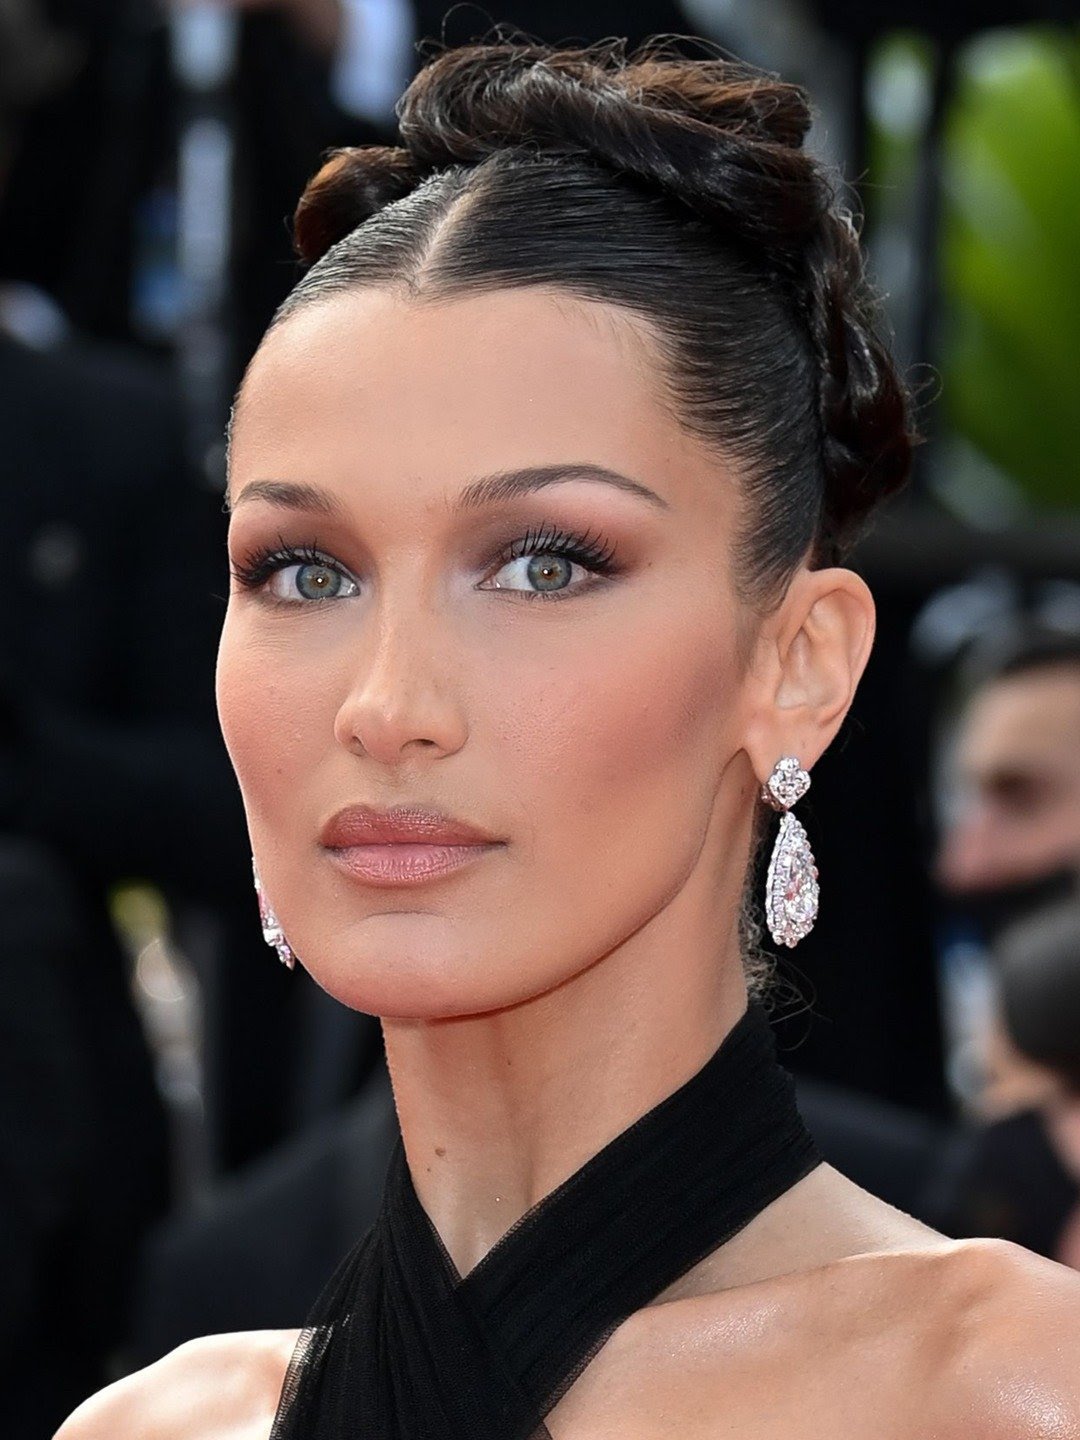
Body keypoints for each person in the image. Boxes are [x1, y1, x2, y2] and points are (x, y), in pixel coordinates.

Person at [57, 34, 1080, 1440]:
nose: (388, 704)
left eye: (545, 565)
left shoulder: (1011, 1394)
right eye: (305, 572)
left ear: (798, 664)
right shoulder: (158, 1426)